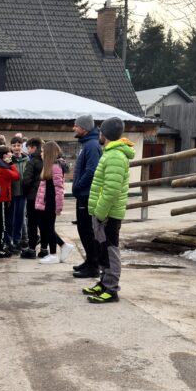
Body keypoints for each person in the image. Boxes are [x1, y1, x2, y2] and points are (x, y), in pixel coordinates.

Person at [83, 116, 132, 304]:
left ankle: (111, 290)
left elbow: (111, 190)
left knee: (110, 251)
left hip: (108, 214)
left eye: (100, 131)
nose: (99, 134)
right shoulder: (110, 153)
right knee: (102, 249)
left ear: (105, 133)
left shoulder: (115, 156)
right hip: (104, 212)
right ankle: (104, 282)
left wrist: (100, 213)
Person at [70, 115, 103, 279]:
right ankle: (89, 261)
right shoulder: (87, 144)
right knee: (82, 229)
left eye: (76, 126)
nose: (74, 128)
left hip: (87, 194)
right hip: (83, 194)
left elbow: (91, 170)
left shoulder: (91, 145)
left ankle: (93, 265)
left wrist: (78, 186)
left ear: (84, 128)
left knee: (87, 230)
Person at [33, 141, 73, 264]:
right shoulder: (49, 166)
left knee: (49, 228)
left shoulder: (55, 167)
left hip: (51, 203)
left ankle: (54, 254)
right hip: (46, 202)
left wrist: (58, 207)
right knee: (46, 227)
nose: (41, 153)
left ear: (48, 153)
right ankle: (63, 246)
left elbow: (59, 188)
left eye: (42, 151)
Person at [20, 138, 44, 259]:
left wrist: (25, 193)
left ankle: (32, 249)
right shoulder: (47, 160)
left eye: (28, 148)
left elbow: (27, 180)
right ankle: (44, 249)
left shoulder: (32, 161)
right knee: (43, 224)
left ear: (33, 148)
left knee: (32, 224)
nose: (27, 150)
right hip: (44, 197)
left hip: (33, 197)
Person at [6, 136, 28, 253]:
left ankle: (17, 240)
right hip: (12, 193)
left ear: (21, 146)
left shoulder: (26, 159)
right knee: (11, 218)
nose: (16, 148)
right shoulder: (9, 160)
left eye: (18, 145)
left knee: (20, 218)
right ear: (11, 146)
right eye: (14, 145)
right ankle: (10, 241)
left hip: (23, 193)